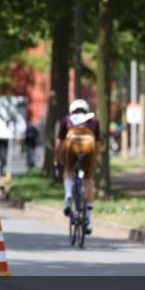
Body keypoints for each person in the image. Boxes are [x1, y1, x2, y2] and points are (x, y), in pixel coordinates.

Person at [55, 99, 99, 234]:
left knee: (68, 170)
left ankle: (68, 194)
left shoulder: (66, 120)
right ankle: (88, 219)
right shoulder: (94, 121)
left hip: (71, 149)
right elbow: (98, 144)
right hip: (89, 150)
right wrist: (94, 161)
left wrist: (57, 159)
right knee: (88, 180)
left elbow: (60, 144)